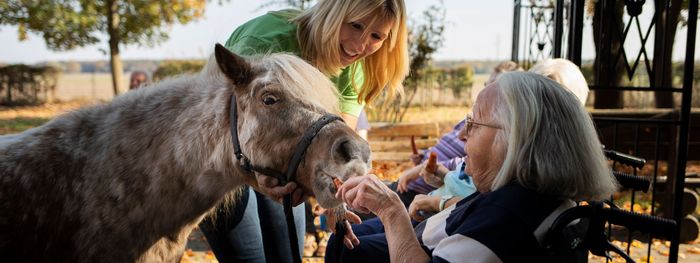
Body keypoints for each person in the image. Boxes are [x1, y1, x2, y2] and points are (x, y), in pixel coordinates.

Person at [330, 71, 618, 262]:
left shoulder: (507, 219)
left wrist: (391, 210)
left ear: (514, 139)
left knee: (344, 246)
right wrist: (439, 201)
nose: (462, 134)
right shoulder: (529, 193)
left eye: (474, 123)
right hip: (431, 236)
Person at [200, 1, 409, 262]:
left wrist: (336, 204)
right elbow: (219, 126)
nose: (359, 45)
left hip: (280, 167)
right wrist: (257, 178)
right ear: (334, 14)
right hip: (223, 167)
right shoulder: (266, 39)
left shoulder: (353, 66)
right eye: (355, 25)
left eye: (376, 36)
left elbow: (337, 151)